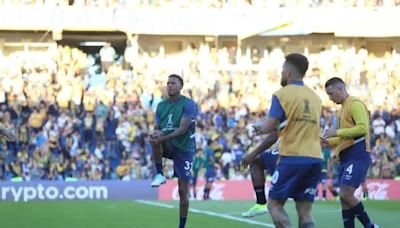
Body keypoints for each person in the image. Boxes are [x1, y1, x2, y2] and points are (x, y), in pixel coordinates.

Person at [253, 53, 322, 228]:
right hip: (315, 158)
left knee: (274, 205)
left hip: (292, 156)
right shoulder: (315, 97)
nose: (282, 73)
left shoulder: (282, 94)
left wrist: (258, 126)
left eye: (283, 70)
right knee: (305, 211)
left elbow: (269, 126)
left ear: (289, 72)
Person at [322, 77, 378, 228]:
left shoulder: (355, 104)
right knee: (344, 199)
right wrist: (326, 141)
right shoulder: (341, 111)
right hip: (345, 157)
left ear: (340, 89)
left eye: (331, 94)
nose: (330, 98)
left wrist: (337, 132)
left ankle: (370, 226)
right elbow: (342, 138)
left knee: (346, 194)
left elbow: (362, 129)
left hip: (358, 154)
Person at [149, 74, 197, 228]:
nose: (169, 86)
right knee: (155, 136)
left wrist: (161, 138)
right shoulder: (161, 105)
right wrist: (156, 135)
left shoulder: (188, 104)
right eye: (168, 83)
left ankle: (181, 226)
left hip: (184, 148)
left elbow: (183, 129)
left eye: (173, 83)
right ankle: (159, 174)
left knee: (183, 191)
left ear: (180, 86)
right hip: (169, 144)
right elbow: (157, 127)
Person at [240, 127, 281, 217]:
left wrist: (251, 155)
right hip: (313, 158)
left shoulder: (286, 114)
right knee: (304, 210)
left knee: (255, 160)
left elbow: (273, 136)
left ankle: (261, 202)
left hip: (289, 156)